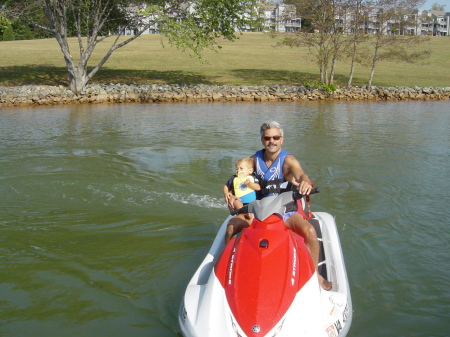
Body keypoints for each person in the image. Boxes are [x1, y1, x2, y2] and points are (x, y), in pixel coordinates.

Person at [225, 121, 332, 291]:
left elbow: (301, 174)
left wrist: (305, 183)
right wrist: (229, 195)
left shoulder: (288, 160)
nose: (272, 141)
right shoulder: (254, 159)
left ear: (281, 139)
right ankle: (228, 271)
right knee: (231, 227)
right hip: (258, 208)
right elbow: (237, 178)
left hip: (285, 209)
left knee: (310, 232)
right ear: (262, 140)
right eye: (268, 138)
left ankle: (315, 274)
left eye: (276, 137)